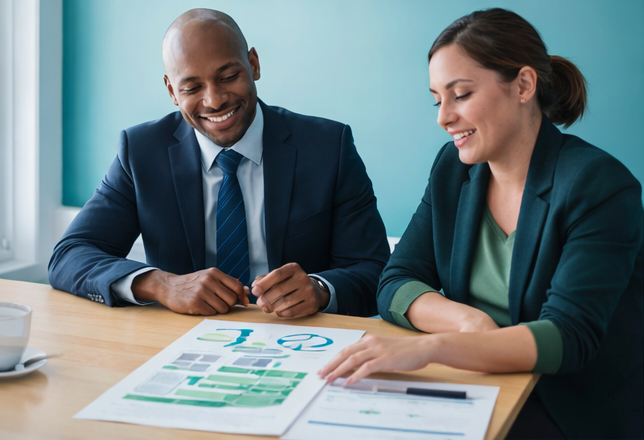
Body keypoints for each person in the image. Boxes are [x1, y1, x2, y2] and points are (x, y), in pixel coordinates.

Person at [319, 8, 643, 439]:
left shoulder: (598, 185)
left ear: (524, 85)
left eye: (461, 95)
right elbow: (396, 281)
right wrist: (469, 324)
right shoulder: (453, 170)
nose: (443, 117)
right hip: (474, 380)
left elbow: (569, 337)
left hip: (569, 403)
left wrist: (429, 346)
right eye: (438, 99)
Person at [48, 9, 390, 319]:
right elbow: (70, 255)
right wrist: (161, 285)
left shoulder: (328, 147)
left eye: (228, 77)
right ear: (171, 91)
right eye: (192, 87)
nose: (214, 100)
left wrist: (319, 289)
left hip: (302, 340)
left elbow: (374, 269)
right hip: (177, 346)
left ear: (253, 64)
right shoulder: (140, 153)